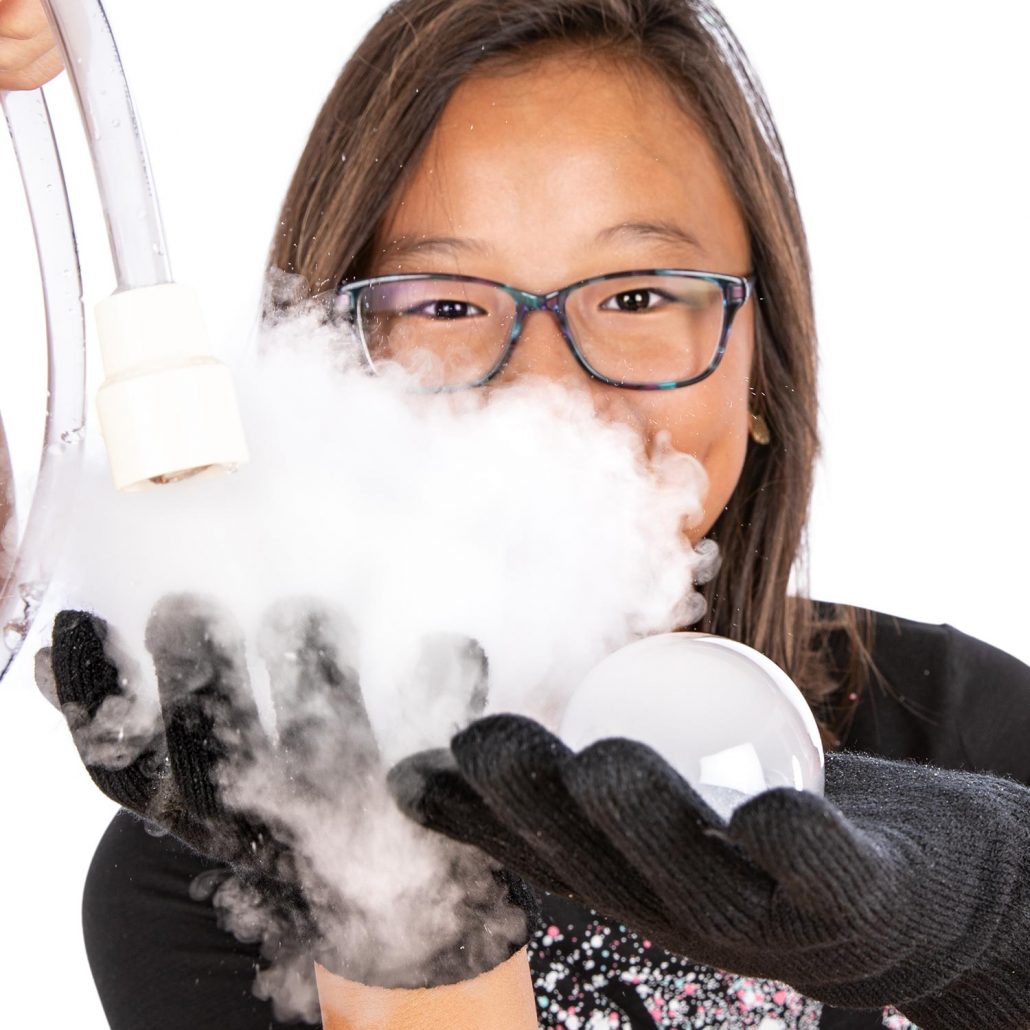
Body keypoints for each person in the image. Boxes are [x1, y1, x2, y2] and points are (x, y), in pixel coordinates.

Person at [6, 1, 1030, 1028]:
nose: (548, 391)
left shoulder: (970, 743)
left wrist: (996, 932)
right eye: (447, 306)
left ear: (759, 365)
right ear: (327, 375)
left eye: (635, 298)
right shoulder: (220, 863)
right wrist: (394, 918)